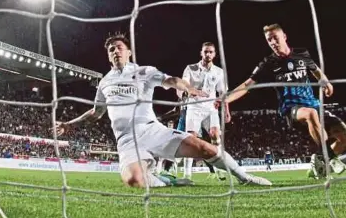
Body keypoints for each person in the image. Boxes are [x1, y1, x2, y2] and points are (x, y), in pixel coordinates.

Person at [56, 33, 272, 188]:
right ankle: (166, 180)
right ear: (108, 56)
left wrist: (188, 88)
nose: (115, 51)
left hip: (152, 131)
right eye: (111, 50)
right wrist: (68, 124)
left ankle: (246, 178)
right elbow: (96, 112)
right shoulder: (104, 82)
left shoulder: (144, 71)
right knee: (134, 181)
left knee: (206, 148)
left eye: (119, 47)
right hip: (126, 141)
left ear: (129, 51)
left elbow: (171, 80)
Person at [219, 24, 346, 179]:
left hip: (314, 104)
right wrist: (227, 99)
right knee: (311, 113)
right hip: (292, 108)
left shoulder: (302, 54)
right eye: (269, 40)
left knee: (344, 136)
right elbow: (247, 85)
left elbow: (316, 71)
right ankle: (330, 159)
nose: (272, 42)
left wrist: (326, 82)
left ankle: (318, 162)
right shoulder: (268, 63)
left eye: (275, 38)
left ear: (284, 37)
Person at [181, 42, 230, 180]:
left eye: (211, 52)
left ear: (214, 54)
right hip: (194, 107)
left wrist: (226, 111)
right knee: (191, 139)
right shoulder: (190, 68)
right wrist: (190, 92)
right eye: (205, 52)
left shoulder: (219, 72)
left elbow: (222, 93)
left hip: (211, 108)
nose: (208, 54)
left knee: (215, 135)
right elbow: (184, 85)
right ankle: (187, 175)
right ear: (201, 53)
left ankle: (218, 169)